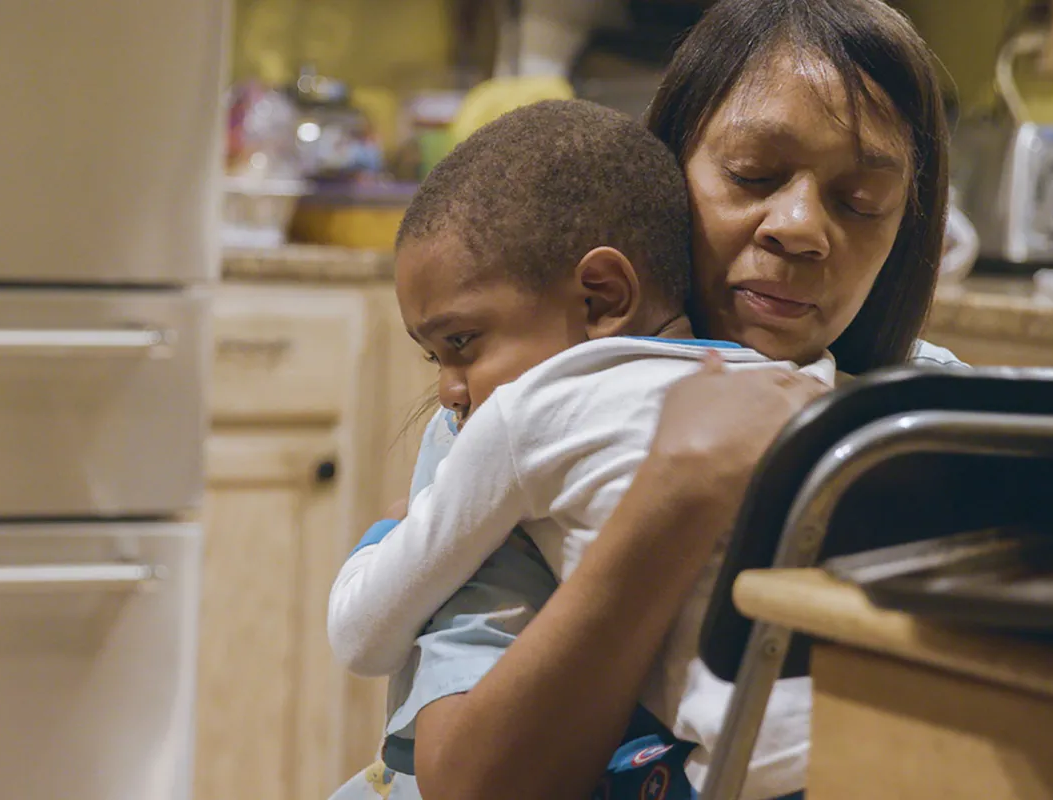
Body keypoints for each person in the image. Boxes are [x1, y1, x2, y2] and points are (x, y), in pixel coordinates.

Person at [342, 1, 964, 798]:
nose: (800, 227)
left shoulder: (925, 410)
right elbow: (474, 783)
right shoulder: (525, 406)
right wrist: (676, 491)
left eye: (860, 202)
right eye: (752, 175)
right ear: (668, 166)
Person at [328, 97, 836, 798]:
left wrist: (389, 531)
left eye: (461, 343)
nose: (449, 391)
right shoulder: (797, 381)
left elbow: (362, 635)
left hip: (743, 773)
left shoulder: (524, 413)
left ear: (601, 297)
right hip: (875, 743)